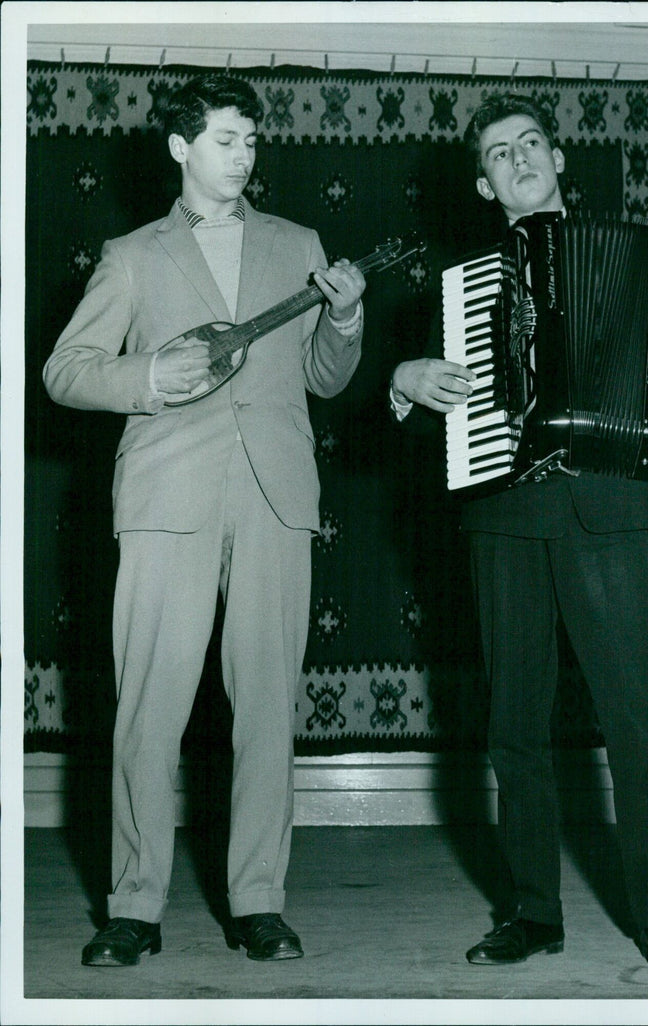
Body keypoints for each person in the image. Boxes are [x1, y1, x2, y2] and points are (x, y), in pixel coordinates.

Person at [390, 93, 648, 972]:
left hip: (611, 513)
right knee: (515, 727)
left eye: (531, 143)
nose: (519, 159)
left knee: (636, 724)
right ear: (482, 180)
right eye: (499, 153)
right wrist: (408, 377)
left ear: (559, 158)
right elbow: (422, 403)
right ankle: (533, 913)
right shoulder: (459, 280)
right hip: (503, 518)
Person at [43, 73, 366, 967]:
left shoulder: (298, 242)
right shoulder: (134, 254)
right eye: (227, 138)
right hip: (164, 498)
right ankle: (135, 904)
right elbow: (66, 369)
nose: (246, 153)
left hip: (276, 497)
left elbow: (327, 378)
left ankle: (259, 900)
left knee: (267, 708)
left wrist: (344, 318)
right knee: (148, 710)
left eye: (252, 139)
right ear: (180, 147)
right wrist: (145, 379)